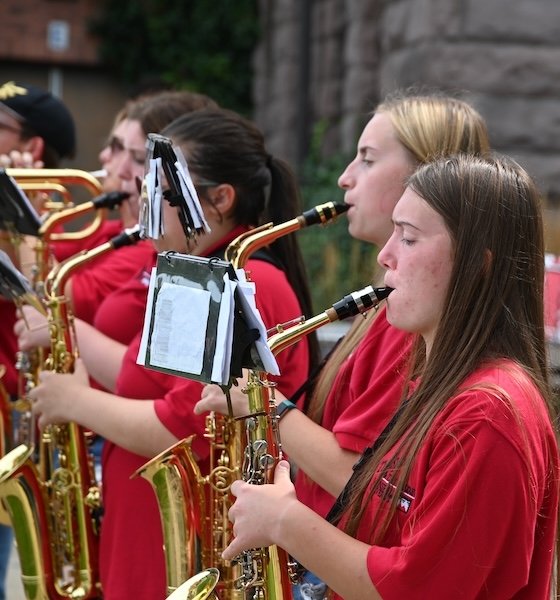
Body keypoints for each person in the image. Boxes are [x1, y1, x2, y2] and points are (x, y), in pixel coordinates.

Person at [223, 153, 560, 599]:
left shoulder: (488, 412)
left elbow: (415, 587)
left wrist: (284, 520)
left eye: (409, 238)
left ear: (478, 265)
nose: (386, 254)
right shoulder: (438, 386)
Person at [194, 92, 491, 597]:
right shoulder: (388, 304)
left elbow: (366, 480)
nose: (344, 177)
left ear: (426, 174)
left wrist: (264, 407)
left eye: (368, 159)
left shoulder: (415, 320)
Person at [21, 107, 317, 599]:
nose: (143, 207)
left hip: (189, 550)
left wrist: (75, 402)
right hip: (152, 537)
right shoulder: (194, 272)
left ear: (220, 199)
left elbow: (182, 426)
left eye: (159, 193)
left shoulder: (248, 280)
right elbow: (141, 380)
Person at [0, 79, 76, 600]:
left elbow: (47, 311)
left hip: (14, 410)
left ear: (32, 149)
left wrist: (21, 228)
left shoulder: (61, 220)